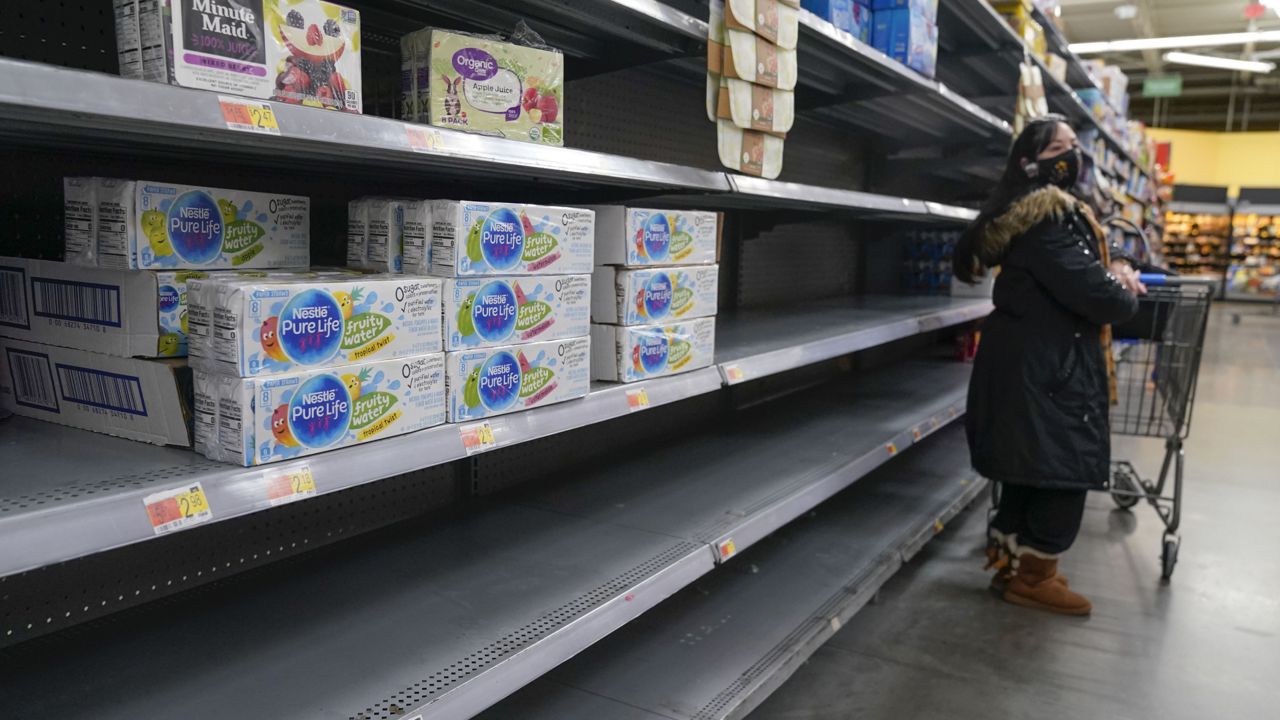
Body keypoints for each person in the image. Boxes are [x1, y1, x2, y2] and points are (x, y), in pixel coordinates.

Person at [952, 115, 1146, 616]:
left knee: (1031, 469)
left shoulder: (1036, 215)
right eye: (1060, 146)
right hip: (1050, 368)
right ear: (1029, 162)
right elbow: (1097, 296)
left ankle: (1014, 565)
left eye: (1076, 144)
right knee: (1061, 471)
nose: (1073, 154)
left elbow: (1083, 262)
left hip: (1033, 363)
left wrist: (1116, 266)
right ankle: (1036, 579)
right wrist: (1122, 290)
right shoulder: (1045, 218)